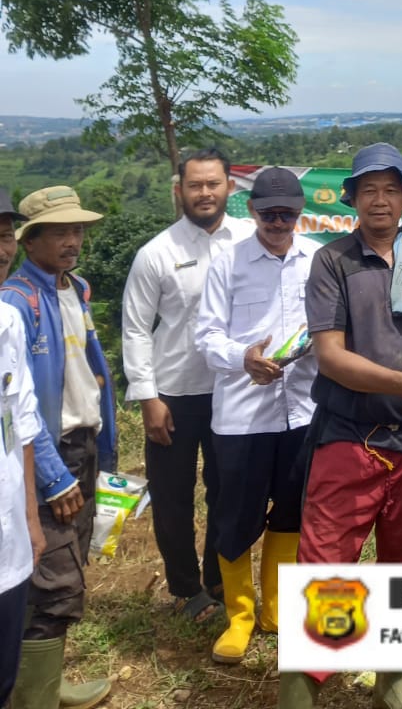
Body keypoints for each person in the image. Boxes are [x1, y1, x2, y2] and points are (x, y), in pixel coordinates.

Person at [288, 143, 402, 709]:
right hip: (350, 437)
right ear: (352, 199)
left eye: (390, 190)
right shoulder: (333, 261)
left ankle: (393, 683)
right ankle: (300, 693)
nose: (380, 200)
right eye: (368, 190)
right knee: (326, 566)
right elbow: (331, 358)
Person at [122, 148, 254, 624]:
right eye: (194, 185)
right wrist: (148, 397)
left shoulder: (249, 240)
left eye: (213, 184)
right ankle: (184, 588)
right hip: (174, 393)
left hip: (233, 390)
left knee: (228, 489)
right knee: (173, 495)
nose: (204, 193)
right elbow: (136, 329)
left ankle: (219, 579)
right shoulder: (157, 253)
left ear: (229, 188)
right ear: (179, 191)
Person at [195, 166, 320, 665]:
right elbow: (207, 336)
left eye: (287, 214)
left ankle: (275, 611)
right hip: (243, 415)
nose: (278, 222)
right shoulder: (228, 263)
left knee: (291, 512)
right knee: (236, 516)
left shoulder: (317, 259)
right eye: (269, 214)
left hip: (303, 411)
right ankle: (240, 616)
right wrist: (243, 358)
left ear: (300, 213)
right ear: (251, 211)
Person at [0, 187, 116, 709]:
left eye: (78, 231)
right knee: (53, 581)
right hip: (52, 455)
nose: (73, 241)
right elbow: (21, 409)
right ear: (30, 241)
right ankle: (33, 697)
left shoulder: (76, 289)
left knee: (65, 564)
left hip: (81, 448)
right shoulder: (17, 302)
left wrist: (103, 451)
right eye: (60, 233)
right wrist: (52, 475)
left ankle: (43, 683)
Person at [0, 191, 45, 709]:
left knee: (3, 676)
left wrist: (31, 517)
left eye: (4, 234)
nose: (1, 248)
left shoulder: (7, 322)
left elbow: (23, 424)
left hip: (9, 538)